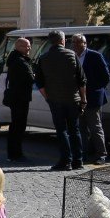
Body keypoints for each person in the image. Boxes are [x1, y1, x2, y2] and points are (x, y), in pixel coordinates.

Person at [34, 30, 86, 171]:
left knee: (61, 130)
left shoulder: (44, 58)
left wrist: (48, 98)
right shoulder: (72, 55)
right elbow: (82, 80)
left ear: (50, 42)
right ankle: (78, 161)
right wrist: (83, 99)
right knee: (74, 130)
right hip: (73, 99)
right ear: (63, 41)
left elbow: (39, 82)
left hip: (55, 100)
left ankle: (66, 161)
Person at [71, 34, 110, 165]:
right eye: (73, 42)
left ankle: (101, 154)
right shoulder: (72, 56)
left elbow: (105, 77)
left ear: (85, 43)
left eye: (78, 42)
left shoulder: (95, 56)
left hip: (92, 98)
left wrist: (93, 90)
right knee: (81, 128)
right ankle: (83, 154)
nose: (75, 45)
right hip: (77, 98)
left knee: (95, 127)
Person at [2, 38, 35, 162]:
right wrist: (34, 75)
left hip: (16, 97)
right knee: (18, 127)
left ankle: (13, 153)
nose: (29, 48)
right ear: (19, 47)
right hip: (20, 98)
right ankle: (16, 154)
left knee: (15, 126)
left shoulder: (14, 59)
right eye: (27, 46)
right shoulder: (20, 61)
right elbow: (30, 78)